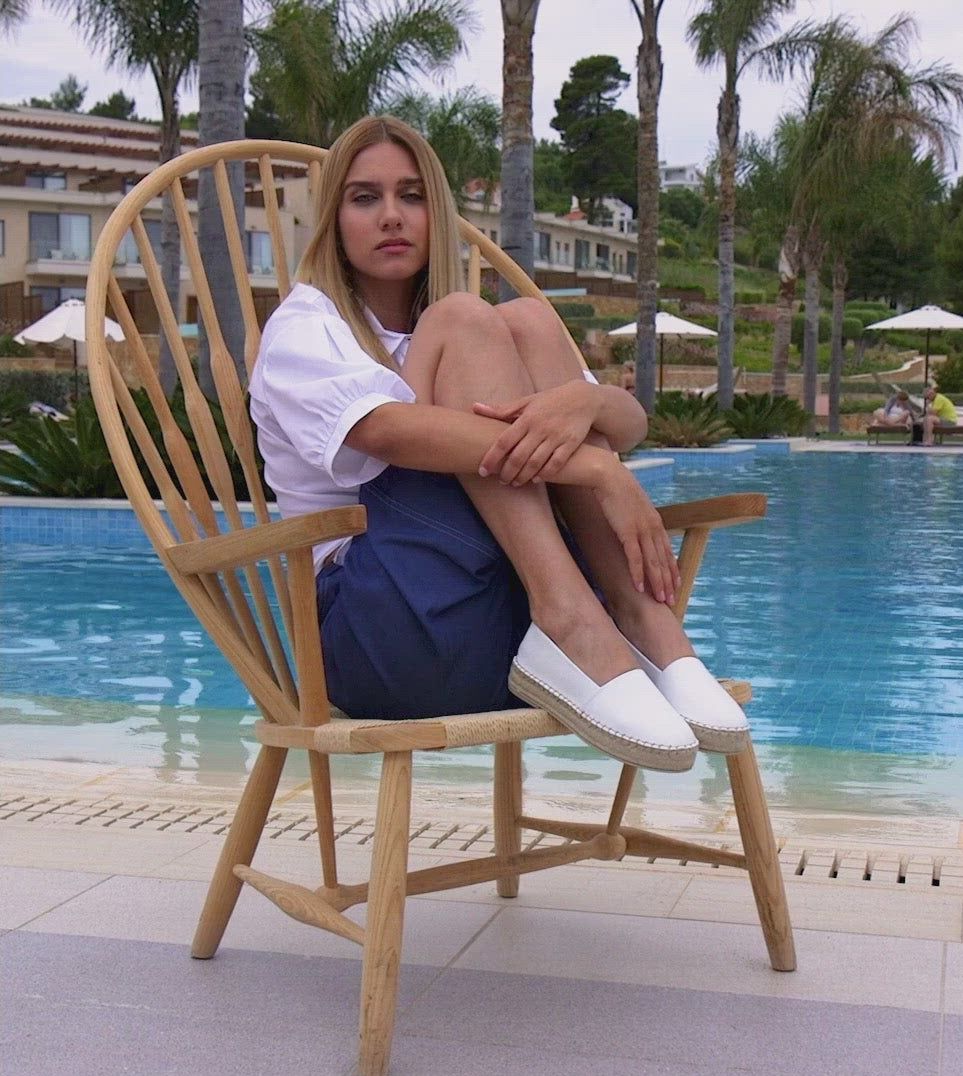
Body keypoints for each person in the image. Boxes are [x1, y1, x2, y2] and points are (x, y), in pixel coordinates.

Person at [248, 116, 749, 773]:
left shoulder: (478, 336)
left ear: (437, 212)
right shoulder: (307, 326)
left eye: (412, 196)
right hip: (389, 641)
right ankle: (575, 619)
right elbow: (386, 431)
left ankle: (638, 621)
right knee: (463, 316)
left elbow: (629, 425)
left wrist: (588, 403)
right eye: (365, 198)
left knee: (530, 318)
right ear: (333, 222)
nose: (392, 216)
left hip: (502, 627)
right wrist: (598, 470)